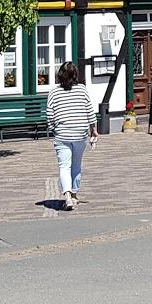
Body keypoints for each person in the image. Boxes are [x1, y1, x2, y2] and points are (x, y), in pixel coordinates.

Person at [47, 61, 97, 210]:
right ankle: (74, 194)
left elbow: (50, 115)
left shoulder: (54, 92)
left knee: (64, 166)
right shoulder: (82, 90)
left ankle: (67, 196)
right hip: (80, 134)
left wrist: (54, 129)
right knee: (76, 165)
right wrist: (93, 129)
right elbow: (90, 111)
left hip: (62, 135)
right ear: (76, 75)